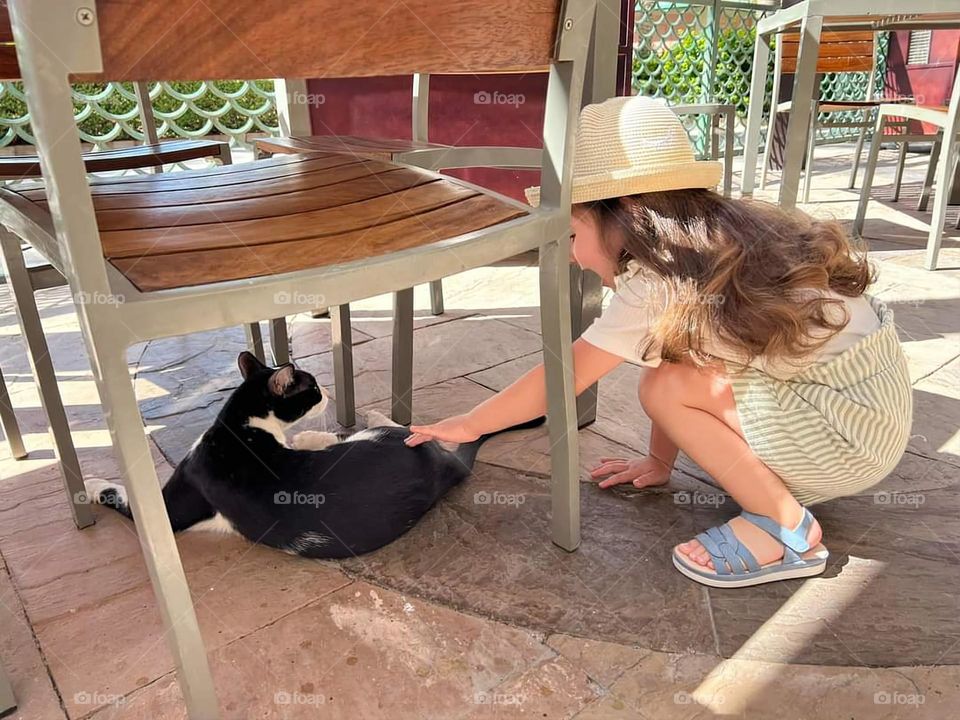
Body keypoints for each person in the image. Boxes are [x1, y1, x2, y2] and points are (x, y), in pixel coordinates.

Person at [404, 95, 912, 588]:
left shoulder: (655, 281)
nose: (573, 257)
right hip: (864, 422)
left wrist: (471, 424)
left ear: (624, 210)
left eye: (573, 235)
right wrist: (659, 462)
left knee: (664, 388)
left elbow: (566, 375)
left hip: (844, 443)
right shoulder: (714, 245)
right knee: (669, 376)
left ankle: (784, 527)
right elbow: (685, 357)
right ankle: (770, 506)